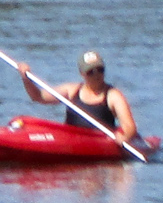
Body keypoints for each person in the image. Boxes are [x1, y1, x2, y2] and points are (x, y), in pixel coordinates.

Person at [10, 48, 140, 143]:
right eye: (91, 72)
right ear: (82, 74)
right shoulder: (71, 91)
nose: (96, 75)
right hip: (71, 140)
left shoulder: (113, 96)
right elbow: (38, 96)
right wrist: (25, 77)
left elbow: (129, 127)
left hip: (99, 142)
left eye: (100, 70)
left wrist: (124, 137)